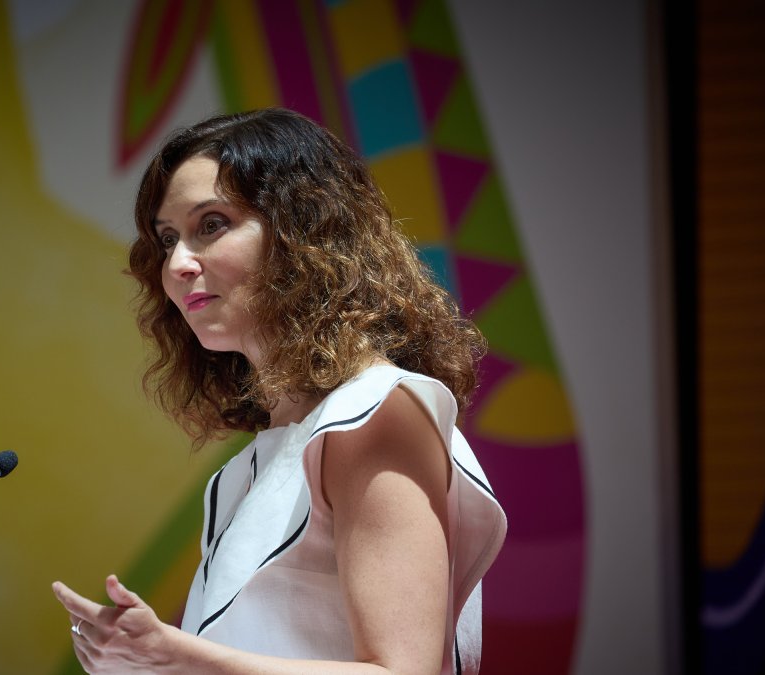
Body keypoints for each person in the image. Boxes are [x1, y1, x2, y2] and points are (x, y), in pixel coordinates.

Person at [52, 108, 506, 674]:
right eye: (167, 239)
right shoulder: (268, 452)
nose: (178, 263)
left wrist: (176, 656)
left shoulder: (373, 413)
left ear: (304, 230)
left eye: (211, 224)